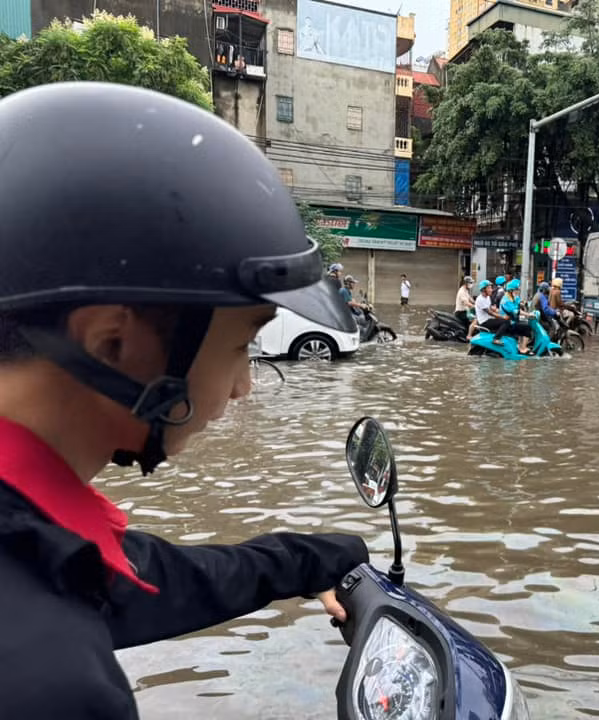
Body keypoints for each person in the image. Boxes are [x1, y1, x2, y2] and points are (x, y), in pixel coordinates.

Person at [0, 82, 368, 718]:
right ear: (115, 343)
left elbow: (133, 580)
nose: (243, 385)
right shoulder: (54, 683)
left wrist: (314, 561)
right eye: (240, 346)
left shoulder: (33, 545)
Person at [492, 279, 532, 354]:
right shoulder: (506, 300)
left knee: (524, 324)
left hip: (513, 321)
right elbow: (516, 311)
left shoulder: (512, 297)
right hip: (509, 323)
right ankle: (522, 348)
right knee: (527, 327)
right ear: (511, 291)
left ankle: (520, 345)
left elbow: (518, 301)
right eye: (516, 289)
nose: (518, 291)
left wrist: (523, 304)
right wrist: (528, 314)